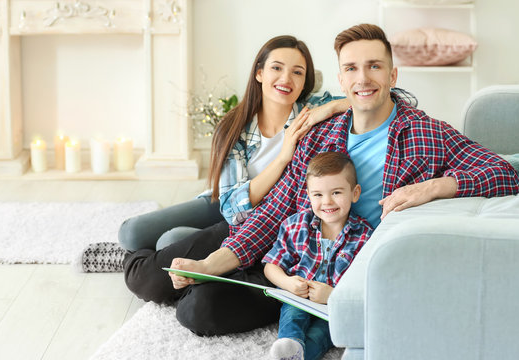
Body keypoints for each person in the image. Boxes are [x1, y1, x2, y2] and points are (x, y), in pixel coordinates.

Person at [169, 23, 519, 335]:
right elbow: (275, 210)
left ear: (393, 76)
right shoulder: (320, 135)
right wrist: (210, 264)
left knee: (201, 306)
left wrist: (432, 187)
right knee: (196, 303)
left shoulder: (426, 133)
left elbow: (504, 172)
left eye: (374, 67)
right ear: (341, 80)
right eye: (351, 68)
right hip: (299, 267)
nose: (362, 79)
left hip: (355, 272)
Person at [78, 35, 355, 273]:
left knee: (169, 242)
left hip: (264, 218)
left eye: (297, 72)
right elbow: (232, 206)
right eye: (277, 68)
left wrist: (329, 108)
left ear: (306, 81)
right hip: (225, 204)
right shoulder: (234, 125)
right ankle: (132, 257)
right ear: (259, 73)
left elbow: (372, 97)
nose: (286, 79)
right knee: (131, 232)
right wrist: (283, 157)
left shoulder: (311, 112)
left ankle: (147, 261)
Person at [263, 152, 373, 360]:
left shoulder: (364, 236)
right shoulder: (296, 225)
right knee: (292, 316)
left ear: (355, 193)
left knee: (324, 333)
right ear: (308, 195)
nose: (327, 202)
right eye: (318, 195)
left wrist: (332, 296)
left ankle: (300, 355)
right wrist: (287, 283)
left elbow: (366, 286)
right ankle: (289, 344)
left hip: (333, 306)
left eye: (337, 192)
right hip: (298, 297)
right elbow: (271, 265)